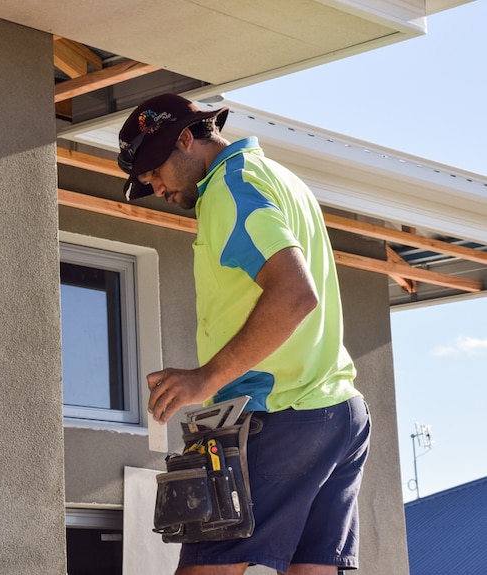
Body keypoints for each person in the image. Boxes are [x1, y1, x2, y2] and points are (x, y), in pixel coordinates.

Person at [117, 93, 371, 575]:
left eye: (153, 169)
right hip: (338, 412)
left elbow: (295, 294)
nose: (153, 184)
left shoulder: (229, 190)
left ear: (187, 138)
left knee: (207, 569)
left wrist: (207, 379)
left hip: (280, 415)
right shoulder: (279, 178)